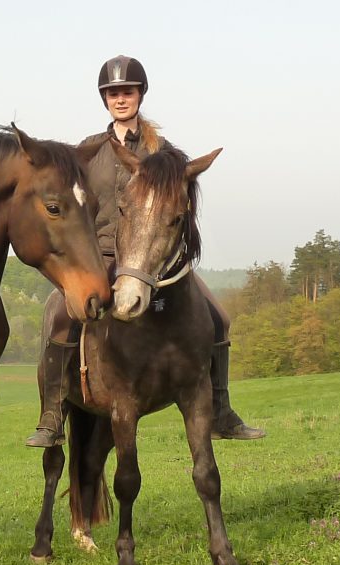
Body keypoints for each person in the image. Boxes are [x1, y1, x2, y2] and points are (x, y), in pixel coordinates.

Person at [24, 55, 267, 447]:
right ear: (105, 99)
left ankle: (221, 410)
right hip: (101, 256)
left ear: (140, 95)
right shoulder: (88, 151)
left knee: (218, 318)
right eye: (113, 93)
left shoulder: (163, 151)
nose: (121, 99)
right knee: (58, 316)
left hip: (153, 261)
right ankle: (52, 414)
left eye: (128, 92)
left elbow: (181, 206)